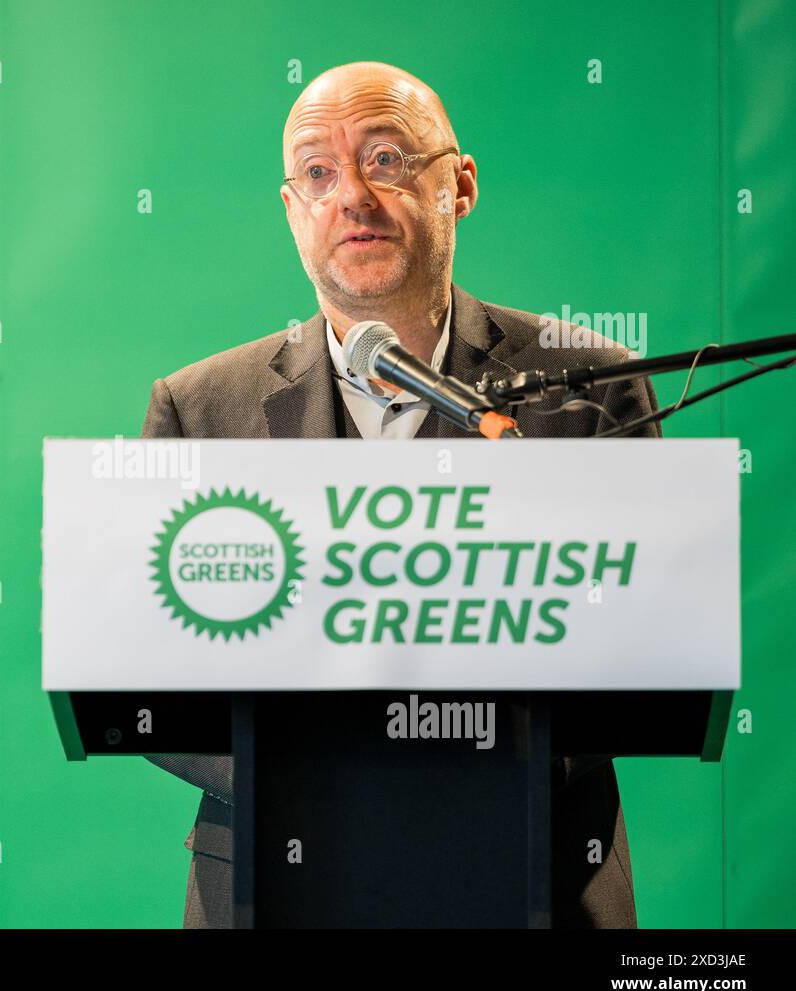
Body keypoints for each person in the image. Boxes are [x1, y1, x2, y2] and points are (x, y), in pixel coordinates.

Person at [140, 61, 659, 929]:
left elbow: (644, 646)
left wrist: (460, 742)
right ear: (292, 210)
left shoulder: (592, 383)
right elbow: (151, 672)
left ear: (459, 185)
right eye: (318, 172)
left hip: (530, 879)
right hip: (274, 884)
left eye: (386, 158)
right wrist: (328, 759)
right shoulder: (199, 407)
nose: (351, 194)